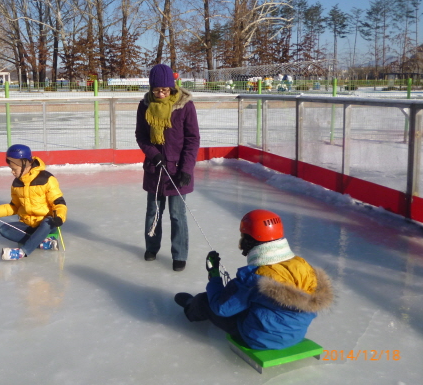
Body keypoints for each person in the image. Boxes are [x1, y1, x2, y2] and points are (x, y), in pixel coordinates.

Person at [174, 210, 334, 350]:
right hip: (296, 334)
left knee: (205, 300)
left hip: (258, 338)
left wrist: (214, 276)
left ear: (251, 240)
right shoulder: (303, 265)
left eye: (243, 237)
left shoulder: (255, 276)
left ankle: (190, 309)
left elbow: (221, 308)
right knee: (254, 301)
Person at [135, 64, 200, 271]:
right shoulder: (145, 106)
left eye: (165, 90)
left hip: (178, 170)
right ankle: (152, 247)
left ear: (172, 88)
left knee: (177, 214)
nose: (161, 94)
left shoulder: (185, 106)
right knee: (153, 212)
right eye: (156, 90)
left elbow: (192, 139)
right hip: (155, 169)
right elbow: (142, 136)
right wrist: (154, 155)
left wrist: (186, 170)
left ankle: (179, 254)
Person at [0, 144, 67, 261]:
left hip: (47, 226)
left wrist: (59, 217)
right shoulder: (17, 184)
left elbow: (59, 202)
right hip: (28, 225)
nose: (12, 172)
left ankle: (23, 252)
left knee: (48, 221)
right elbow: (14, 206)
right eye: (11, 169)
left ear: (24, 164)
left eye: (14, 169)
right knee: (4, 229)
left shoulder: (47, 179)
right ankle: (42, 243)